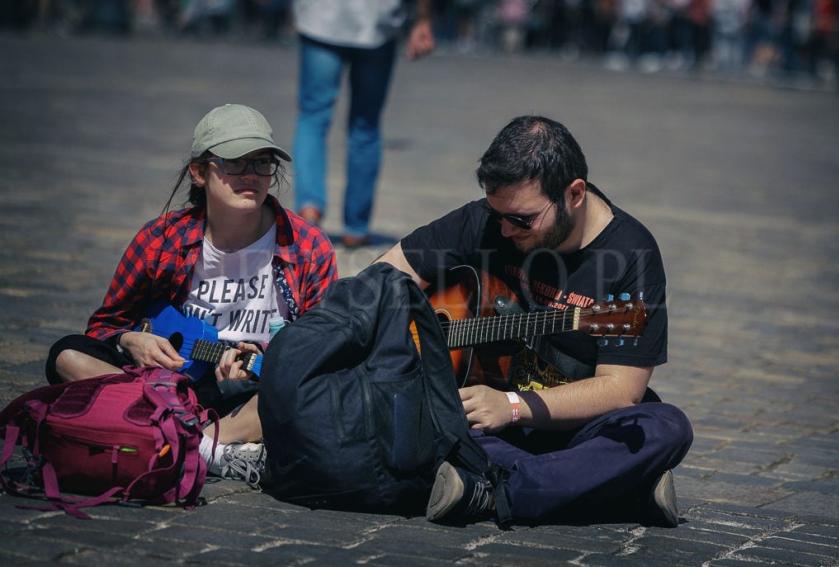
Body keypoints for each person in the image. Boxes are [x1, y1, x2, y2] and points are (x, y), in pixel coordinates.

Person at [378, 115, 692, 526]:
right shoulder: (494, 219)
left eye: (522, 220)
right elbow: (388, 273)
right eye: (499, 215)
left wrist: (511, 406)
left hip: (563, 421)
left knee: (665, 427)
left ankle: (489, 490)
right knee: (413, 414)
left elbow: (621, 388)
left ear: (574, 193)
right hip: (476, 416)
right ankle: (616, 490)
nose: (505, 229)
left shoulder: (632, 254)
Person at [45, 104, 338, 487]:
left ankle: (171, 438)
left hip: (247, 394)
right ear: (200, 172)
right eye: (235, 163)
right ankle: (204, 445)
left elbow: (326, 347)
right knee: (66, 355)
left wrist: (268, 361)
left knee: (305, 394)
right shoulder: (161, 239)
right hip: (158, 387)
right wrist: (131, 339)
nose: (250, 175)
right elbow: (104, 326)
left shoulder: (307, 246)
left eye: (262, 163)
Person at [292, 0, 435, 248]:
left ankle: (309, 207)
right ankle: (355, 228)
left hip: (320, 16)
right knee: (365, 126)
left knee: (313, 117)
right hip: (376, 21)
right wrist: (422, 19)